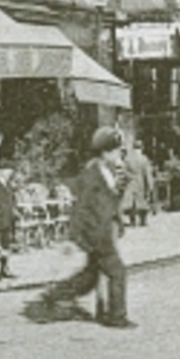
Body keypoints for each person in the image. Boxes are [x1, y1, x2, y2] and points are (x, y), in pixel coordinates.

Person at [42, 127, 133, 328]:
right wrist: (73, 237)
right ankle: (117, 317)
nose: (119, 154)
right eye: (117, 150)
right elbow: (81, 207)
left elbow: (109, 201)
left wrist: (118, 216)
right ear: (106, 151)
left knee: (90, 276)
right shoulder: (91, 174)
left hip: (103, 230)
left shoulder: (106, 171)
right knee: (118, 272)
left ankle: (55, 294)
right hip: (96, 233)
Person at [119, 140, 156, 228]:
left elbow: (124, 172)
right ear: (141, 148)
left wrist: (128, 179)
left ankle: (132, 221)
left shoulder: (128, 159)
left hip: (131, 183)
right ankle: (143, 221)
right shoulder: (144, 159)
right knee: (142, 201)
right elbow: (147, 173)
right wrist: (150, 185)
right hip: (141, 182)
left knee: (132, 203)